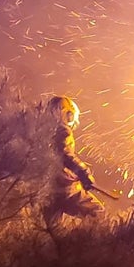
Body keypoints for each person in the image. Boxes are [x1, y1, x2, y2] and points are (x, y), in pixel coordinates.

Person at [44, 95, 104, 227]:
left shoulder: (41, 130)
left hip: (45, 189)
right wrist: (84, 173)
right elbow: (65, 155)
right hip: (64, 188)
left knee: (51, 230)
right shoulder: (62, 130)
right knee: (97, 212)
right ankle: (88, 244)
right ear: (68, 113)